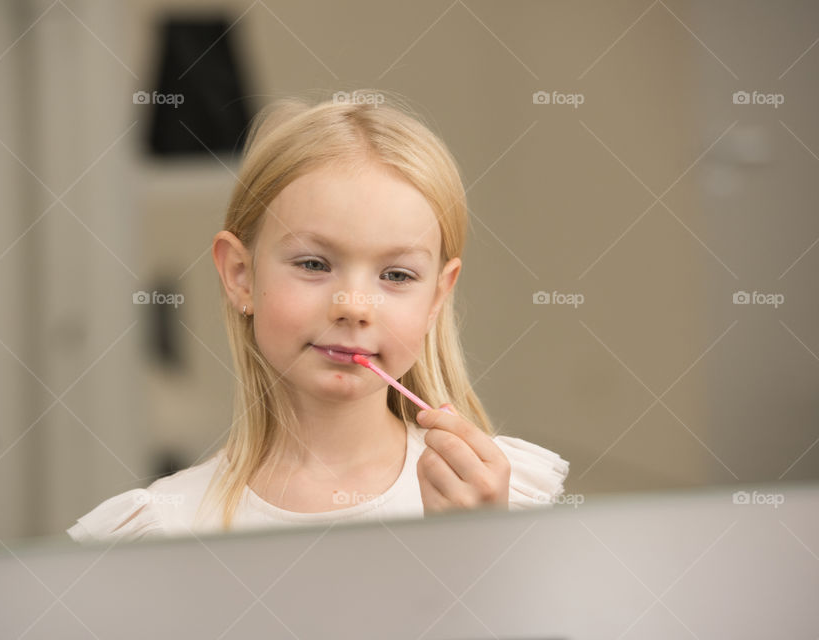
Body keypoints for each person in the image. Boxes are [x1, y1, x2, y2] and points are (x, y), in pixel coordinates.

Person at [67, 91, 569, 543]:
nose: (354, 306)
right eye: (314, 264)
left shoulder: (501, 497)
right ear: (241, 275)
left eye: (396, 276)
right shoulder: (164, 531)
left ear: (438, 296)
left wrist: (475, 550)